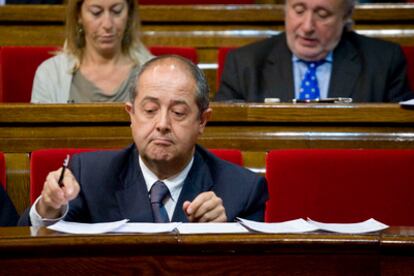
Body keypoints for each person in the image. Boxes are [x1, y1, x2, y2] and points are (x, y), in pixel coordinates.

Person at [19, 55, 268, 226]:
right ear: (131, 114)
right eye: (150, 110)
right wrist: (49, 208)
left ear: (202, 120)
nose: (162, 124)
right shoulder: (88, 176)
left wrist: (224, 236)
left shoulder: (242, 190)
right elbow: (34, 254)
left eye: (178, 113)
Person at [215, 0, 414, 103]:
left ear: (346, 16)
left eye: (322, 14)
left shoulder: (383, 62)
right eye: (299, 10)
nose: (308, 26)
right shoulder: (244, 64)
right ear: (286, 9)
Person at [31, 0, 153, 103]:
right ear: (79, 15)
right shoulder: (50, 74)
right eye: (96, 12)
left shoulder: (155, 71)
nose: (107, 24)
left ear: (129, 13)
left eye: (117, 11)